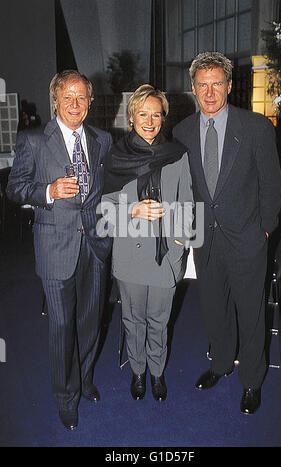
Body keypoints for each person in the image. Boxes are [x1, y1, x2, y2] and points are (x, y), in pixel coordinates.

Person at [173, 52, 281, 415]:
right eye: (202, 85)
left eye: (216, 83)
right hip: (205, 238)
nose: (209, 92)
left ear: (230, 86)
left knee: (250, 311)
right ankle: (220, 364)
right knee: (214, 308)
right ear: (193, 88)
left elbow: (272, 184)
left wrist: (265, 229)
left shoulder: (256, 128)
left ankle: (251, 380)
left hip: (248, 237)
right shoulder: (182, 132)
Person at [6, 70, 112, 430]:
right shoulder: (34, 140)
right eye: (67, 96)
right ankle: (65, 397)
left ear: (90, 101)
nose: (75, 104)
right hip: (55, 247)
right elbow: (15, 189)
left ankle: (83, 379)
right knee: (62, 326)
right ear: (55, 100)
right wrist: (48, 191)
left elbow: (109, 190)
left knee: (90, 322)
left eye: (82, 97)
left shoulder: (102, 139)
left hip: (95, 245)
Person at [101, 84, 193, 402]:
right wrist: (133, 210)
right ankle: (138, 371)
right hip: (129, 256)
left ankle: (156, 372)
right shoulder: (116, 157)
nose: (150, 121)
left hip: (165, 256)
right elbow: (104, 212)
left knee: (159, 320)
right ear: (131, 117)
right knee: (133, 319)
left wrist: (179, 250)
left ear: (163, 118)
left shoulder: (177, 156)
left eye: (156, 114)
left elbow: (187, 204)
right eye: (143, 113)